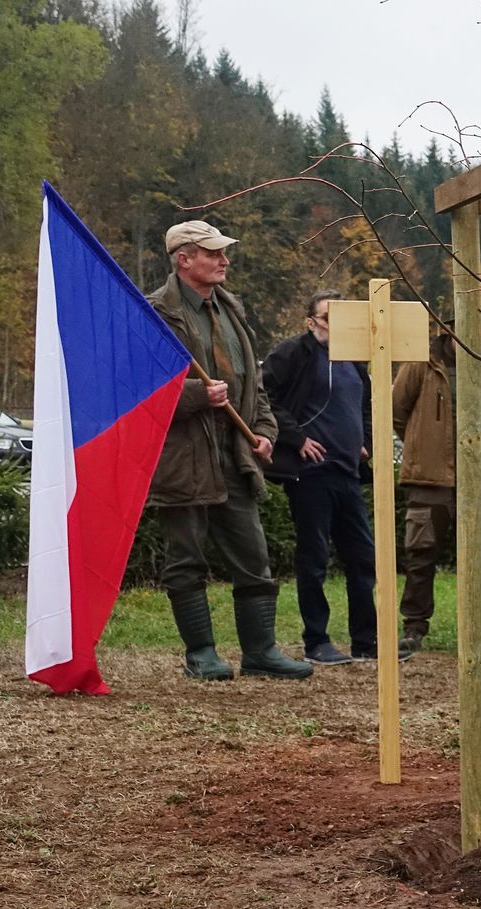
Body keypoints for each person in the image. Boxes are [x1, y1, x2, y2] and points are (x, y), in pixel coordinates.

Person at [146, 220, 311, 680]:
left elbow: (252, 387)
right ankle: (201, 655)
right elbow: (142, 395)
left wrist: (264, 431)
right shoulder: (155, 315)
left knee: (253, 555)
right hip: (183, 461)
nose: (224, 260)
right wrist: (199, 396)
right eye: (213, 253)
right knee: (186, 559)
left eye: (223, 253)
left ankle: (260, 652)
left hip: (235, 456)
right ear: (184, 259)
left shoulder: (231, 308)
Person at [261, 290, 381, 665]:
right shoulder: (293, 353)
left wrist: (365, 442)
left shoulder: (355, 361)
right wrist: (296, 438)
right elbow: (264, 396)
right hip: (311, 475)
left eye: (341, 317)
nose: (335, 325)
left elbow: (366, 405)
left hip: (348, 472)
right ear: (311, 321)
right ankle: (317, 641)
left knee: (363, 559)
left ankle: (367, 641)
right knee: (314, 559)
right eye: (328, 317)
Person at [392, 323, 481, 654]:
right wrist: (423, 447)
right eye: (471, 325)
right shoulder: (420, 361)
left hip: (475, 478)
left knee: (477, 556)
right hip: (429, 479)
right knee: (420, 555)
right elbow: (397, 411)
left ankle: (480, 628)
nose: (478, 332)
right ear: (448, 330)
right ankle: (414, 626)